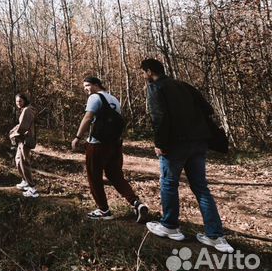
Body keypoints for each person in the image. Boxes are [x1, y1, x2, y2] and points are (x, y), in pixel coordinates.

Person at [141, 58, 234, 253]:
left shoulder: (156, 88)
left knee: (168, 182)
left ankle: (170, 226)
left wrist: (160, 144)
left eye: (143, 73)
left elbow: (160, 117)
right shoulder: (183, 85)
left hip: (176, 144)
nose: (144, 76)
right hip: (199, 141)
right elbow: (207, 109)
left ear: (149, 72)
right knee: (201, 188)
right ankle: (216, 236)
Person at [71, 76, 149, 222]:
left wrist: (77, 137)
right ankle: (136, 203)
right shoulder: (113, 99)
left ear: (96, 85)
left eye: (87, 85)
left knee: (94, 177)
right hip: (114, 144)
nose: (86, 89)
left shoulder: (95, 98)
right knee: (116, 176)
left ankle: (104, 210)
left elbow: (88, 118)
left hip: (97, 144)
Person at [9, 93, 38, 198]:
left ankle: (32, 188)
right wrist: (14, 131)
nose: (18, 103)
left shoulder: (27, 110)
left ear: (25, 101)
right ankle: (25, 181)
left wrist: (13, 134)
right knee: (18, 160)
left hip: (26, 139)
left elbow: (24, 127)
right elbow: (20, 124)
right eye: (17, 101)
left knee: (24, 162)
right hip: (22, 139)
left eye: (20, 101)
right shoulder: (24, 109)